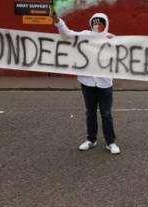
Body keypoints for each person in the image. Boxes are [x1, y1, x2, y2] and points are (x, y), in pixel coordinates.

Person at [51, 10, 120, 155]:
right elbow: (66, 34)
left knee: (106, 113)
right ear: (91, 24)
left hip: (105, 83)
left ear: (105, 24)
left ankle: (110, 142)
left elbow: (125, 54)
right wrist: (57, 19)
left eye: (101, 23)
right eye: (95, 23)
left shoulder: (111, 39)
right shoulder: (84, 35)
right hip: (87, 82)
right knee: (90, 112)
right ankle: (91, 139)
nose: (97, 26)